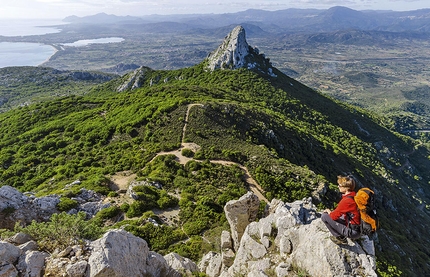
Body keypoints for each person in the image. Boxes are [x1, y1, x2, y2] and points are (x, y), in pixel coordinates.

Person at [321, 175, 361, 244]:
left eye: (340, 186)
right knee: (338, 214)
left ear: (346, 188)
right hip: (357, 228)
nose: (338, 186)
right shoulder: (354, 195)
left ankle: (340, 238)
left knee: (324, 216)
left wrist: (328, 211)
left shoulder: (346, 201)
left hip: (353, 232)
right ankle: (348, 235)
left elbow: (333, 216)